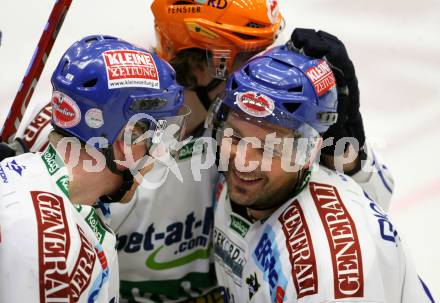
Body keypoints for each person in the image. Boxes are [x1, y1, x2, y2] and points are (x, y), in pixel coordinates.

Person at [207, 45, 434, 302]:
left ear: (306, 152)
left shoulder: (323, 268)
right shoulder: (246, 182)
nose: (244, 160)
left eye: (268, 148)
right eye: (235, 136)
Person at [0, 34, 188, 302]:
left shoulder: (39, 184)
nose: (158, 154)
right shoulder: (54, 250)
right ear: (127, 140)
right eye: (156, 136)